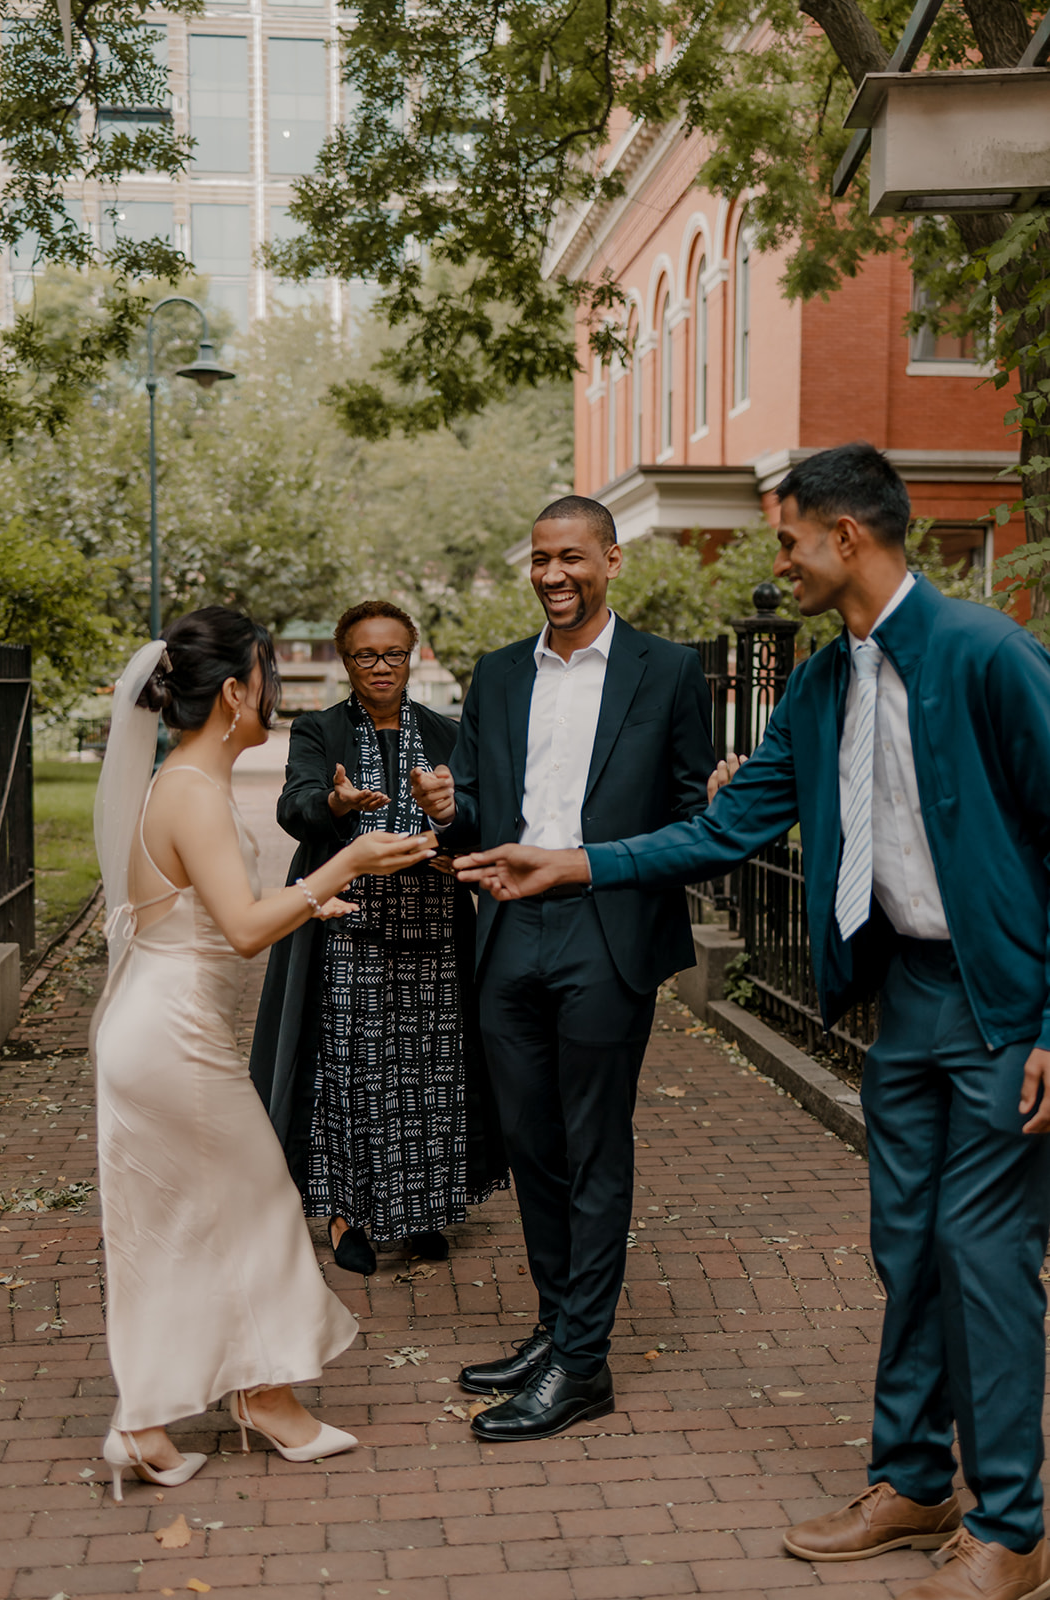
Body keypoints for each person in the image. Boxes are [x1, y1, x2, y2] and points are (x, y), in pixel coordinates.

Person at [454, 444, 1050, 1600]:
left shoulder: (984, 653)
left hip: (1005, 1000)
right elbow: (721, 832)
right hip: (908, 996)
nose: (774, 562)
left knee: (980, 1251)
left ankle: (1014, 1527)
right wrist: (571, 863)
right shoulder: (824, 684)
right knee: (904, 1246)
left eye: (784, 539)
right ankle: (912, 1479)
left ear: (844, 536)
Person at [92, 606, 435, 1501]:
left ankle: (150, 1423)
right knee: (265, 1206)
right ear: (237, 691)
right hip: (172, 1041)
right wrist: (344, 865)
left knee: (184, 1224)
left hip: (159, 1027)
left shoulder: (181, 781)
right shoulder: (195, 792)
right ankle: (265, 1399)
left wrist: (308, 904)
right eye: (270, 678)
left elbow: (200, 917)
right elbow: (244, 932)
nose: (276, 697)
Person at [409, 494, 715, 1442]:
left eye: (572, 557)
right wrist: (448, 805)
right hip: (508, 928)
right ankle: (554, 1329)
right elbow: (479, 814)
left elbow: (692, 824)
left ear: (611, 562)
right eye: (540, 559)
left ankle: (583, 1366)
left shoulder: (667, 671)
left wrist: (705, 807)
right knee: (531, 1144)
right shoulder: (497, 675)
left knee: (593, 1146)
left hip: (607, 925)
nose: (553, 575)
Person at [250, 600, 508, 1277]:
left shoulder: (449, 733)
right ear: (345, 659)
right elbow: (294, 806)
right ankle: (347, 1214)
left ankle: (418, 1210)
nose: (381, 666)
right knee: (351, 1074)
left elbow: (480, 817)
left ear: (413, 654)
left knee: (431, 1071)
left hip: (434, 933)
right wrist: (334, 804)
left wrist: (455, 832)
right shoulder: (319, 729)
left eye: (393, 653)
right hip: (350, 930)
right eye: (366, 654)